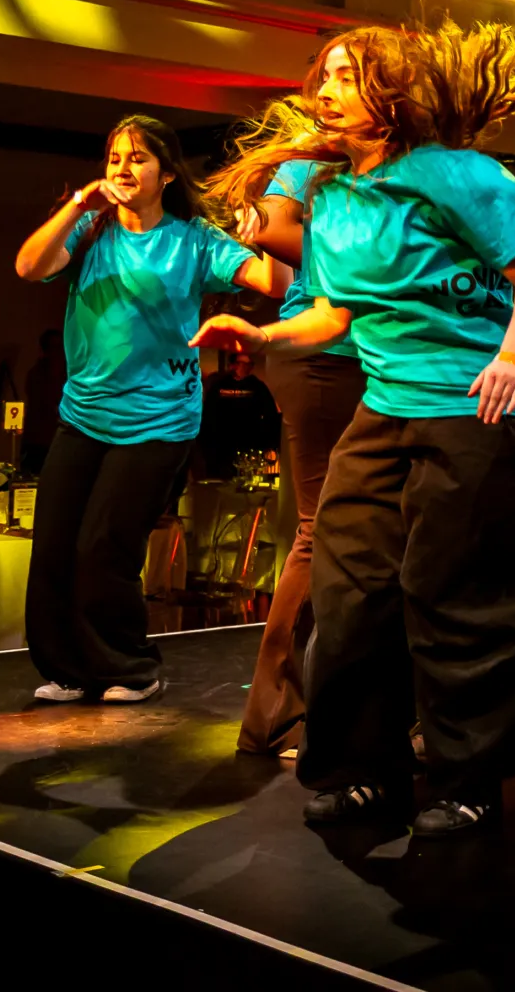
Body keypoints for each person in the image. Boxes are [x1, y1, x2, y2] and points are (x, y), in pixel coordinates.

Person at [193, 16, 515, 837]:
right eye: (322, 76)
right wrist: (260, 335)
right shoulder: (333, 199)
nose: (324, 91)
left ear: (393, 91)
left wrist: (512, 357)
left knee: (456, 595)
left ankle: (468, 776)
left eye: (345, 75)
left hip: (481, 406)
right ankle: (364, 767)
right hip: (389, 406)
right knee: (350, 590)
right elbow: (333, 313)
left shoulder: (458, 174)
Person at [14, 115, 288, 704]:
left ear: (165, 173)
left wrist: (271, 224)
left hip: (158, 421)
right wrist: (75, 206)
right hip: (84, 415)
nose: (122, 167)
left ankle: (131, 668)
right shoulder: (90, 231)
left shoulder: (193, 241)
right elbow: (28, 266)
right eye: (115, 156)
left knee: (102, 548)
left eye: (137, 157)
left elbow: (272, 282)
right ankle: (68, 668)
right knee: (55, 545)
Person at [209, 153, 370, 757]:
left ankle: (363, 709)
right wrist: (378, 260)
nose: (334, 90)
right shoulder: (310, 168)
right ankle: (277, 713)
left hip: (388, 358)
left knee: (383, 536)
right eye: (331, 76)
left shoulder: (412, 164)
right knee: (319, 527)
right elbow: (273, 230)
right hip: (325, 354)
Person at [198, 350, 279, 478]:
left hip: (249, 443)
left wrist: (270, 443)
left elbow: (270, 414)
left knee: (246, 477)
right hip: (220, 444)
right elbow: (208, 413)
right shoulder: (219, 385)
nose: (248, 368)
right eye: (244, 364)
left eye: (250, 364)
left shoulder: (257, 386)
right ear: (233, 365)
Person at [20, 328, 65, 474]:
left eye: (61, 347)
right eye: (55, 347)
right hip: (39, 442)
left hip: (61, 440)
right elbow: (47, 404)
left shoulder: (69, 375)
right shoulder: (37, 376)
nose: (59, 352)